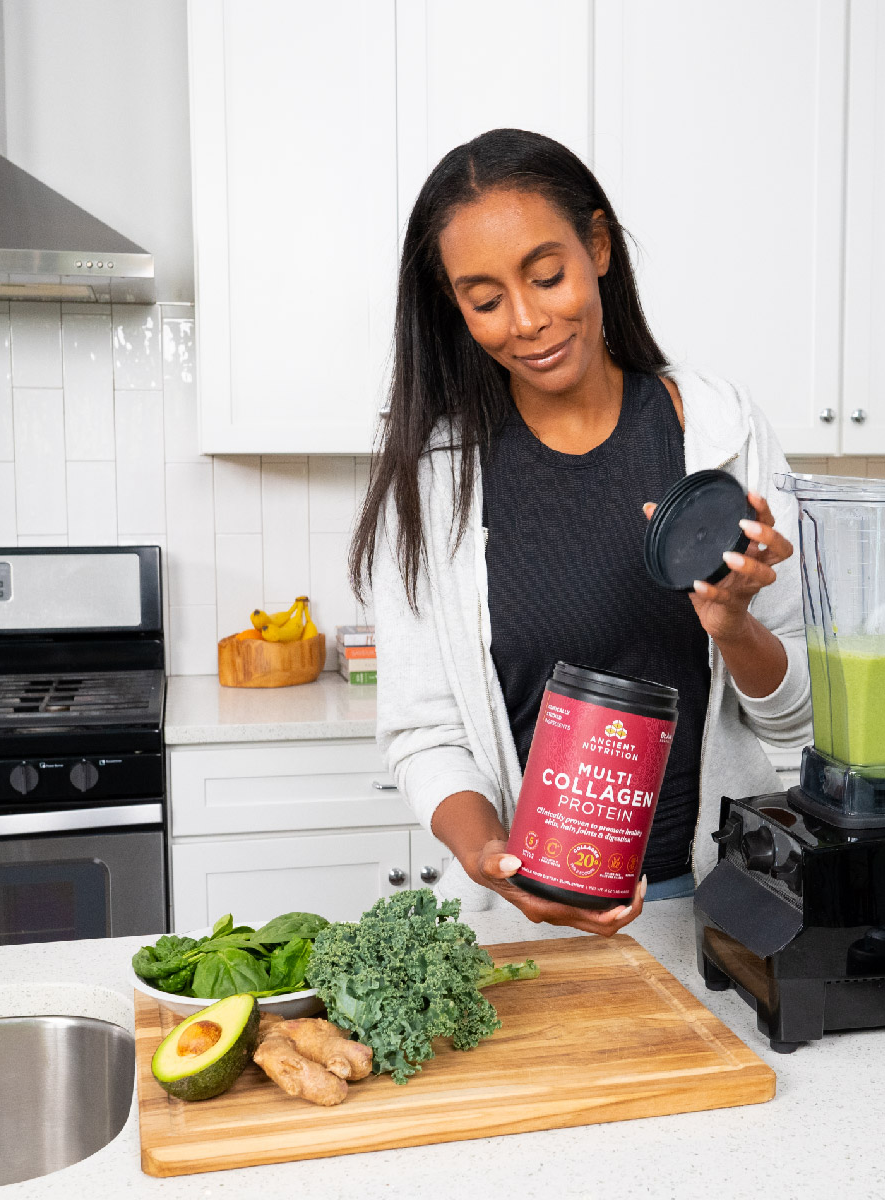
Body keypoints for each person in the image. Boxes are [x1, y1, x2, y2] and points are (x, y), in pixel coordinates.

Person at [350, 128, 811, 936]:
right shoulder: (433, 478)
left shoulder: (717, 432)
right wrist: (490, 855)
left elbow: (798, 724)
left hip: (719, 908)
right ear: (454, 308)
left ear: (597, 246)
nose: (526, 321)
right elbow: (426, 734)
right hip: (530, 917)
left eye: (547, 275)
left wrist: (733, 624)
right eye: (486, 300)